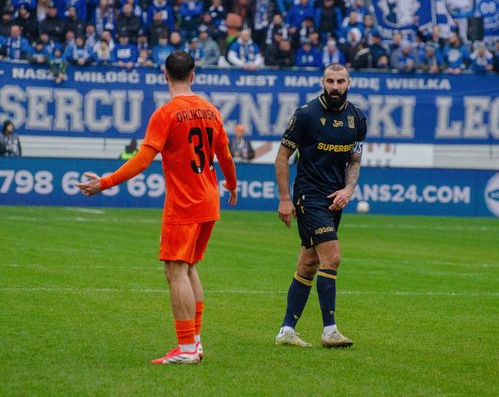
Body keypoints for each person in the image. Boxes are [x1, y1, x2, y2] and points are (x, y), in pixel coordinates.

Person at [75, 51, 238, 364]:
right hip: (209, 200)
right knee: (189, 268)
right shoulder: (211, 110)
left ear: (165, 75)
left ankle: (186, 348)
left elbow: (142, 160)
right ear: (193, 75)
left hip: (184, 204)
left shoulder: (166, 114)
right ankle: (195, 343)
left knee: (175, 271)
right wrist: (231, 184)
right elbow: (225, 156)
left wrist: (105, 182)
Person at [274, 63, 367, 348]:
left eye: (340, 81)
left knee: (309, 262)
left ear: (349, 83)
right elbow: (282, 157)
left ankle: (286, 330)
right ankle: (330, 330)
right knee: (333, 256)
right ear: (322, 82)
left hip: (334, 199)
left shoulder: (357, 119)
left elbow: (354, 160)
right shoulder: (306, 115)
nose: (335, 86)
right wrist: (285, 198)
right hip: (309, 195)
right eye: (330, 81)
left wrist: (349, 189)